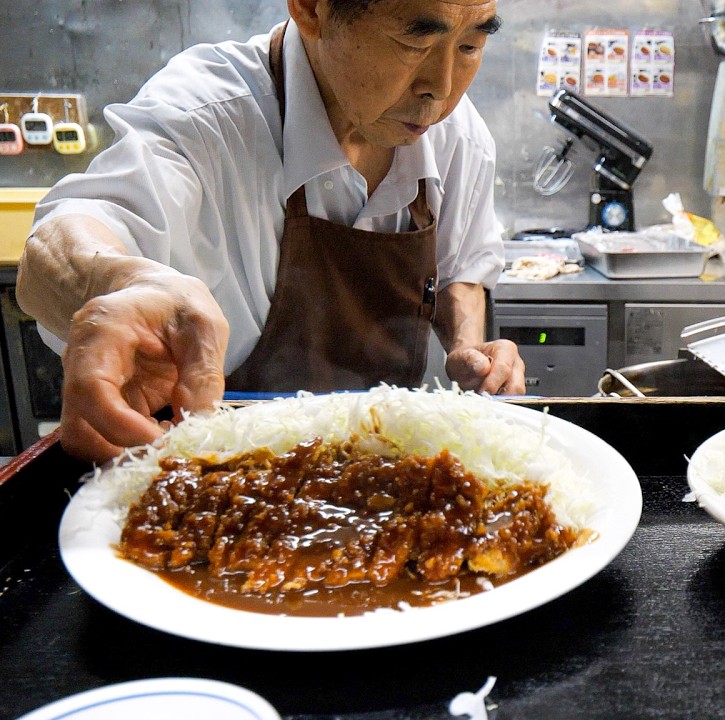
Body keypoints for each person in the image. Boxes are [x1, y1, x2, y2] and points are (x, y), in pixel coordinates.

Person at [17, 0, 525, 463]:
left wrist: (468, 348)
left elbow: (460, 266)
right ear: (312, 9)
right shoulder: (206, 115)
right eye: (415, 42)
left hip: (385, 468)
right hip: (217, 474)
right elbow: (64, 236)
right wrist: (120, 282)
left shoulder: (455, 134)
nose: (442, 88)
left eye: (470, 46)